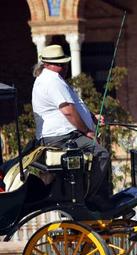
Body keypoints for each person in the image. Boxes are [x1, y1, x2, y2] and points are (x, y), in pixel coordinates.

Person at [32, 44, 113, 211]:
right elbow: (68, 112)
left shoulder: (51, 79)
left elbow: (74, 104)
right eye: (60, 64)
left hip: (61, 134)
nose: (64, 67)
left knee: (96, 154)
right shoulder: (52, 80)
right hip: (60, 137)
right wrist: (88, 131)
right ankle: (90, 197)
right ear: (46, 64)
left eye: (65, 63)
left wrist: (92, 116)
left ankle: (89, 193)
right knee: (101, 154)